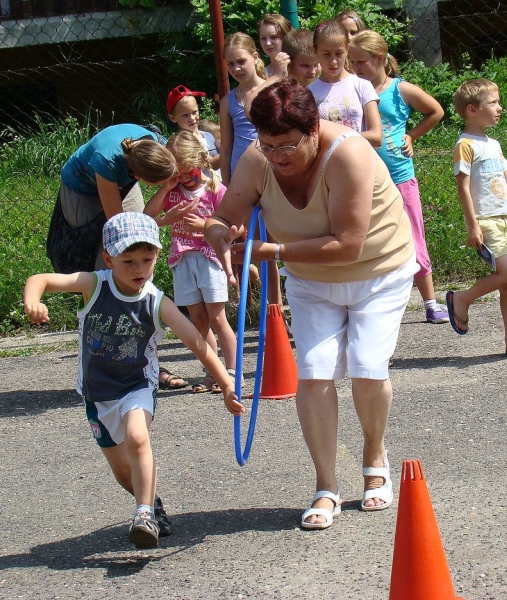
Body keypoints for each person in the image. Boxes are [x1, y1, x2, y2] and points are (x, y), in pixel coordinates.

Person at [204, 80, 417, 530]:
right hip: (312, 281)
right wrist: (219, 231)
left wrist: (272, 252)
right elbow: (226, 215)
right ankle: (326, 487)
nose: (278, 155)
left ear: (314, 129)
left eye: (288, 145)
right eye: (268, 145)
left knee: (366, 365)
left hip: (378, 272)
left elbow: (348, 244)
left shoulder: (349, 153)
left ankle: (374, 454)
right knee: (315, 371)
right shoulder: (258, 159)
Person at [24, 212, 241, 549]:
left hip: (136, 385)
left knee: (138, 438)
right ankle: (153, 503)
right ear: (109, 259)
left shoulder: (155, 301)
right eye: (129, 261)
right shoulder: (94, 284)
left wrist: (226, 383)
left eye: (148, 259)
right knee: (123, 471)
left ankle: (143, 515)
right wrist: (33, 301)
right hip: (97, 392)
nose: (140, 269)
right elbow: (41, 279)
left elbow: (198, 343)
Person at [48, 123, 189, 390]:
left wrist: (161, 200)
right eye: (156, 184)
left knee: (137, 270)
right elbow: (119, 231)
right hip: (81, 188)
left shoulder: (156, 145)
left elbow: (138, 232)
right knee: (111, 269)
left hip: (125, 174)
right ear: (139, 176)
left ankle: (147, 362)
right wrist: (162, 221)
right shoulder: (106, 161)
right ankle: (104, 361)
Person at [350, 30, 449, 324]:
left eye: (361, 62)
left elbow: (435, 111)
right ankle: (371, 304)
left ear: (379, 59)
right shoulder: (353, 90)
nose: (355, 68)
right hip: (363, 178)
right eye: (352, 62)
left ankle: (430, 303)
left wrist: (412, 135)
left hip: (399, 176)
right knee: (367, 240)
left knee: (414, 236)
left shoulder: (399, 89)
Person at [446, 78, 507, 357]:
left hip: (505, 218)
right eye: (493, 103)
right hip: (485, 220)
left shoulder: (494, 143)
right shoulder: (465, 145)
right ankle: (461, 299)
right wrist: (472, 224)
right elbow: (462, 187)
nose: (500, 108)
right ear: (471, 110)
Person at [144, 132, 238, 394]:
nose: (184, 179)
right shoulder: (172, 190)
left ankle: (231, 372)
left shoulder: (214, 189)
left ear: (200, 161)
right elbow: (147, 216)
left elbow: (235, 227)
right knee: (198, 320)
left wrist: (207, 225)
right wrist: (166, 187)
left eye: (187, 172)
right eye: (178, 174)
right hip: (182, 259)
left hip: (209, 258)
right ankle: (212, 372)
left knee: (217, 318)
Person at [308, 20, 382, 147]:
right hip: (327, 164)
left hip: (360, 161)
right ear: (315, 51)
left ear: (347, 49)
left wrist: (337, 137)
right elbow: (309, 139)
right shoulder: (309, 92)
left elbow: (377, 136)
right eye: (326, 54)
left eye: (338, 53)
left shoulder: (362, 86)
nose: (333, 61)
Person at [219, 32, 266, 186]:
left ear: (255, 56)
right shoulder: (227, 102)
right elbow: (226, 150)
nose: (236, 69)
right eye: (230, 64)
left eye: (241, 61)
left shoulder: (271, 89)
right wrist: (226, 186)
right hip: (241, 173)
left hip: (270, 168)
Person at [166, 85, 221, 171]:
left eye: (194, 112)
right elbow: (211, 164)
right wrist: (235, 148)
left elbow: (224, 150)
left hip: (219, 182)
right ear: (173, 118)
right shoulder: (183, 143)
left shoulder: (208, 135)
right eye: (185, 115)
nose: (192, 118)